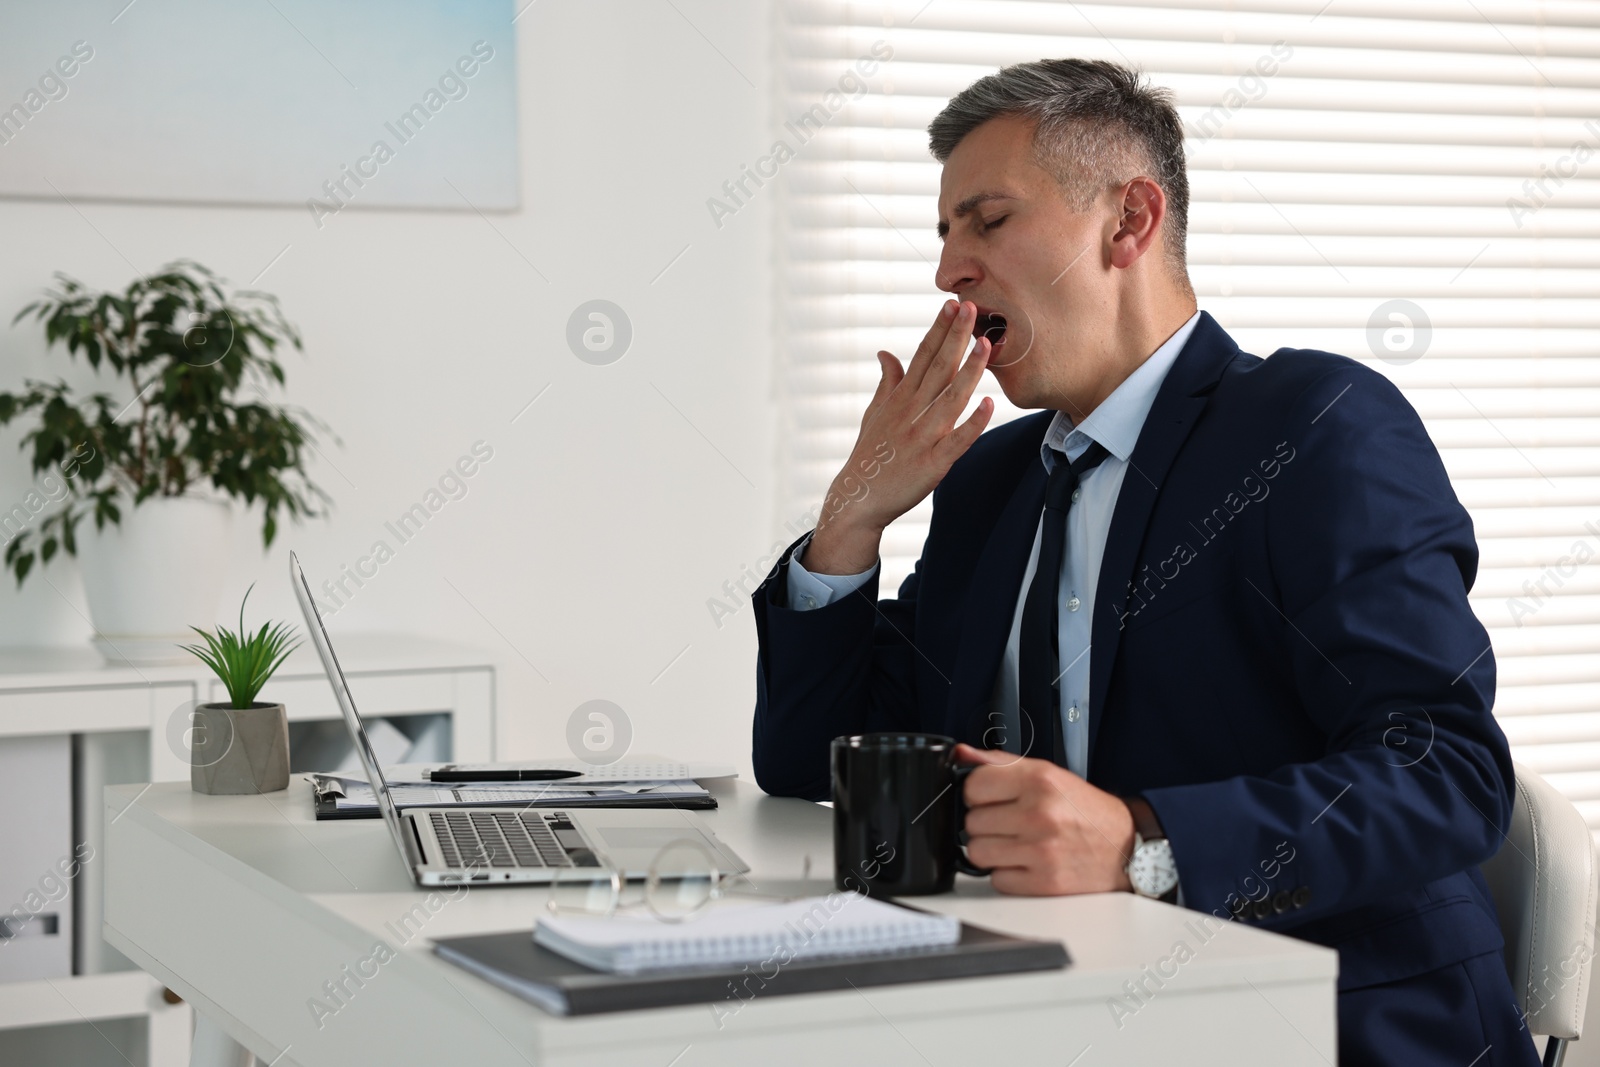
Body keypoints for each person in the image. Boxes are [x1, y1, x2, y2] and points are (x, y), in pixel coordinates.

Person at [750, 58, 1539, 1063]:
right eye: (943, 233)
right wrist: (850, 520)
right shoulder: (994, 479)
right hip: (1056, 1013)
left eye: (985, 222)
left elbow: (1448, 775)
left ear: (1128, 222)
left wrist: (1139, 842)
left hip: (1316, 1021)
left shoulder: (1312, 428)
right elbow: (813, 761)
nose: (947, 269)